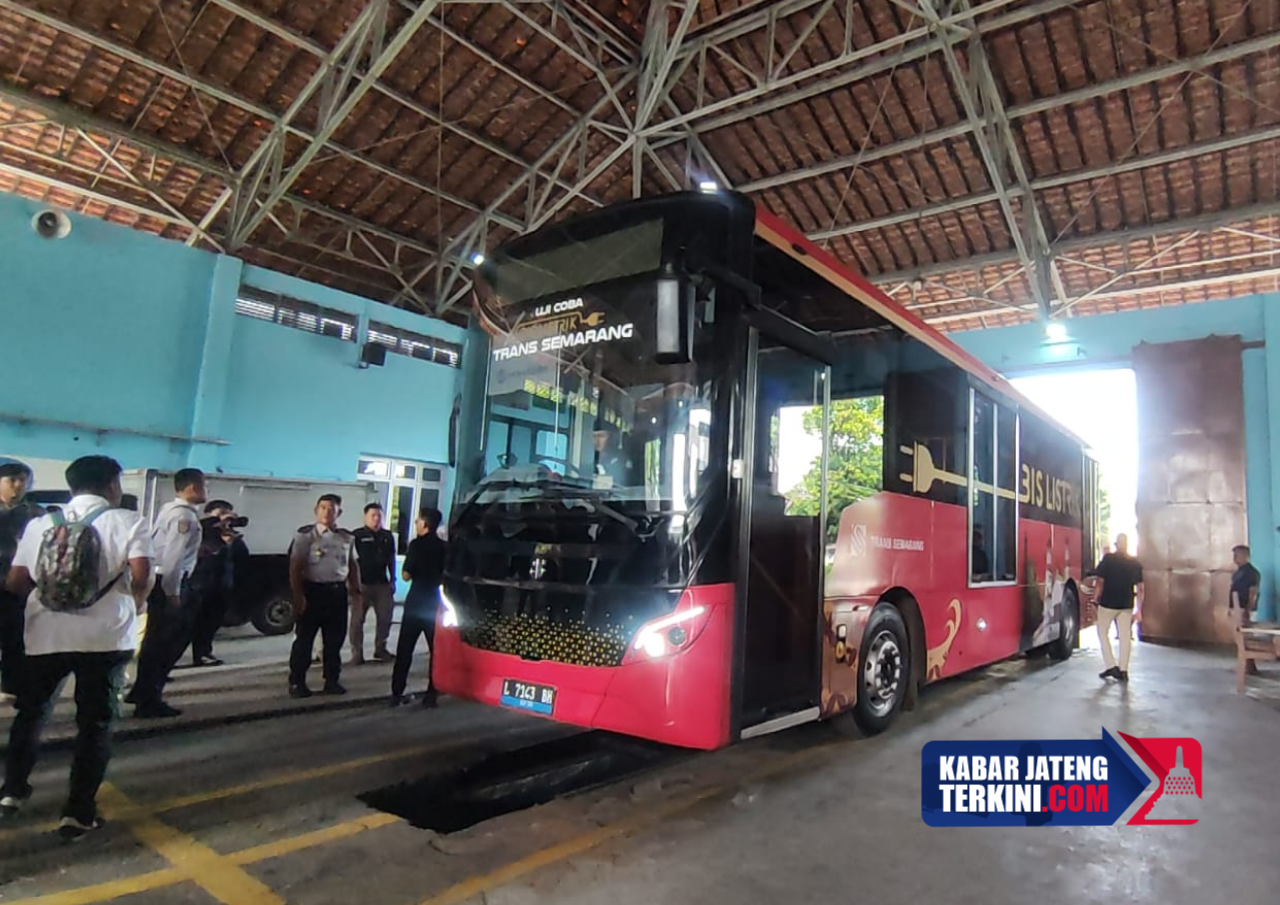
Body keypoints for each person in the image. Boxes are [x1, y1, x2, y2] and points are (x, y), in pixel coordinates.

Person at [0, 456, 153, 838]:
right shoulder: (128, 521)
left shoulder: (41, 523)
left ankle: (12, 792)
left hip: (45, 636)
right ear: (113, 485)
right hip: (106, 637)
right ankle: (78, 812)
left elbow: (16, 581)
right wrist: (135, 603)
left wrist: (48, 602)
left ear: (72, 486)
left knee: (31, 714)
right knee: (94, 724)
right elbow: (142, 574)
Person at [127, 468, 206, 718]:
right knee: (167, 643)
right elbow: (173, 558)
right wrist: (173, 593)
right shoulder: (184, 517)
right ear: (192, 487)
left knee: (154, 640)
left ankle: (141, 690)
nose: (206, 491)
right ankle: (149, 699)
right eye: (204, 485)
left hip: (162, 580)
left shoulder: (169, 510)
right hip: (171, 582)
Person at [288, 494, 361, 698]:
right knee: (304, 640)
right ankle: (297, 682)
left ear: (339, 512)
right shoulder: (305, 536)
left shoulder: (346, 538)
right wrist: (298, 596)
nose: (327, 512)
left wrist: (356, 592)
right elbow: (295, 567)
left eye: (332, 508)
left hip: (336, 593)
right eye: (323, 507)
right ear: (316, 510)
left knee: (334, 640)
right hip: (313, 592)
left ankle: (332, 680)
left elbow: (352, 565)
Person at [391, 507, 446, 708]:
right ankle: (432, 694)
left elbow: (406, 575)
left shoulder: (416, 545)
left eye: (418, 520)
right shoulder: (444, 547)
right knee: (436, 652)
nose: (416, 523)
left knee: (405, 650)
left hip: (415, 602)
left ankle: (397, 693)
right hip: (435, 603)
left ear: (425, 523)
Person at [0, 458, 43, 701]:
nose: (18, 485)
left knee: (15, 637)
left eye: (22, 480)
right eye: (12, 480)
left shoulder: (35, 514)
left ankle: (10, 685)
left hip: (18, 584)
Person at [189, 500, 249, 667]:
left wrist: (230, 541)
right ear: (209, 515)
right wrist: (221, 543)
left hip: (222, 585)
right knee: (189, 623)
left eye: (228, 514)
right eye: (220, 513)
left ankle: (203, 653)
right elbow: (200, 555)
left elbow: (242, 560)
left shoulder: (232, 537)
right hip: (199, 584)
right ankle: (169, 659)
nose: (225, 518)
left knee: (212, 621)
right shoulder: (200, 532)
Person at [1086, 533, 1143, 682]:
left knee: (1102, 632)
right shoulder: (1135, 563)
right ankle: (1123, 670)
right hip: (1126, 604)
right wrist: (1139, 610)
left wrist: (1094, 600)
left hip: (1108, 604)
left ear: (1116, 544)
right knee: (1125, 637)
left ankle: (1111, 666)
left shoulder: (1108, 559)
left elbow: (1100, 582)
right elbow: (1140, 588)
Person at [350, 502, 396, 665]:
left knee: (385, 618)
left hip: (382, 584)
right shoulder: (356, 536)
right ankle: (357, 653)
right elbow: (350, 561)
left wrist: (393, 579)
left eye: (379, 516)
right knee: (357, 621)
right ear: (365, 517)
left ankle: (380, 648)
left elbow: (391, 559)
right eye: (373, 516)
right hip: (362, 584)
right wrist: (352, 583)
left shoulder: (387, 536)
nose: (376, 519)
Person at [1229, 544, 1262, 675]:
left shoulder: (1252, 573)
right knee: (1239, 638)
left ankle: (1248, 665)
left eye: (1237, 555)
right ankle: (1246, 664)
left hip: (1244, 609)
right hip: (1236, 607)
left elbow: (1253, 592)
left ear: (1245, 556)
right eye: (1234, 555)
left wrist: (1248, 609)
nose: (1234, 558)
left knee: (1246, 638)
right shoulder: (1238, 573)